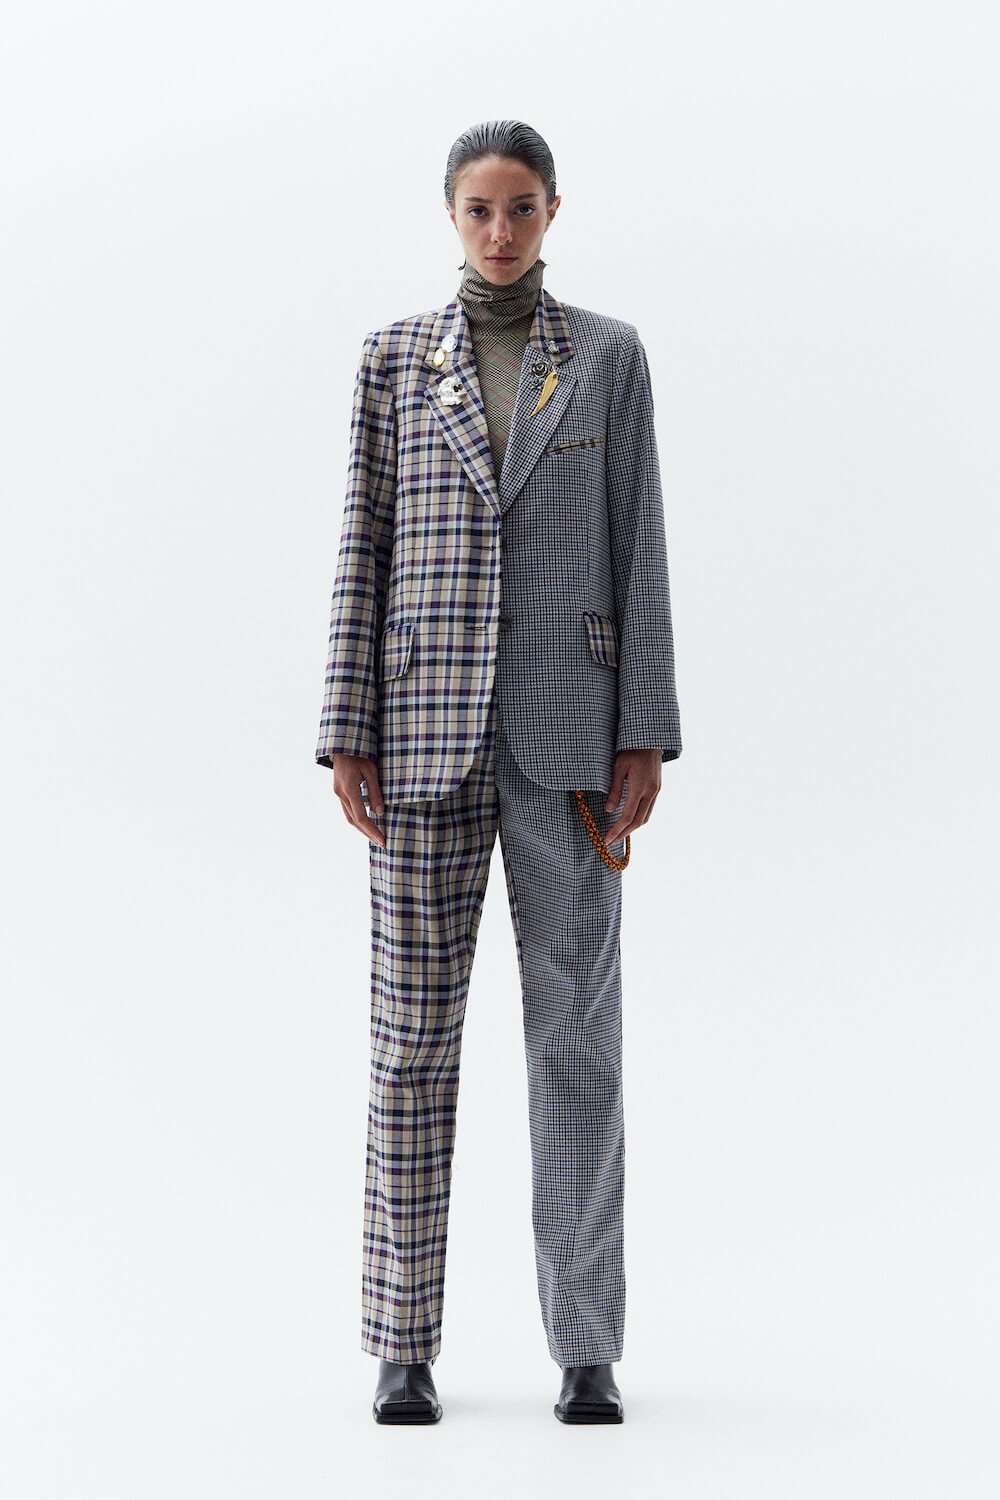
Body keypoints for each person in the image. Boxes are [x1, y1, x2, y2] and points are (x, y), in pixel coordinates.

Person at [315, 119, 682, 1426]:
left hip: (571, 737)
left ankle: (587, 1345)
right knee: (409, 1046)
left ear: (552, 211)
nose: (501, 231)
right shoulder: (393, 360)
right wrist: (345, 726)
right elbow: (362, 545)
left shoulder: (608, 358)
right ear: (452, 215)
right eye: (480, 209)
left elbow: (640, 542)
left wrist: (646, 726)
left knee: (576, 1042)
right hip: (419, 737)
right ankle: (401, 1341)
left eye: (521, 207)